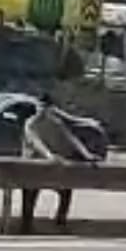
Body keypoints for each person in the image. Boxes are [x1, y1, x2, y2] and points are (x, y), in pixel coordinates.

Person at [18, 93, 101, 234]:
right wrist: (49, 155)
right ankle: (26, 225)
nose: (42, 110)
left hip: (52, 165)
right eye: (40, 106)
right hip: (33, 165)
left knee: (66, 190)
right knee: (30, 194)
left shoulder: (55, 122)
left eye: (46, 107)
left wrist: (87, 154)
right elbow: (36, 142)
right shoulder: (30, 123)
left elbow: (71, 138)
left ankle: (60, 222)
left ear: (51, 108)